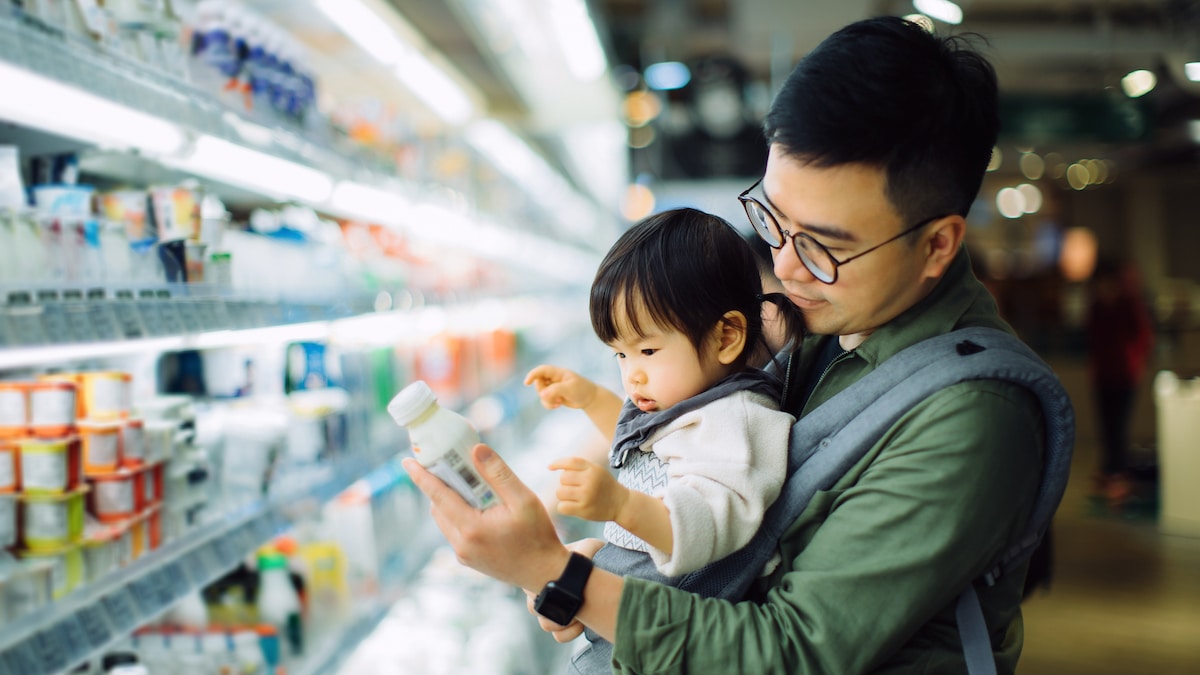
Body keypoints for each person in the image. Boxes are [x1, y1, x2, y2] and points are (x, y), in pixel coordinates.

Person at [404, 16, 1059, 674]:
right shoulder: (828, 326)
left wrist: (560, 574)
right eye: (774, 218)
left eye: (824, 246)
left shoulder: (974, 415)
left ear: (937, 245)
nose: (787, 264)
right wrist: (606, 562)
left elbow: (791, 651)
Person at [523, 208, 801, 670]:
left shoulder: (738, 421)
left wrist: (620, 507)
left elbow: (709, 523)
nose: (632, 374)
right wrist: (590, 398)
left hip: (672, 634)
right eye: (619, 354)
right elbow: (654, 452)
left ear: (727, 336)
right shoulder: (700, 404)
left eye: (648, 350)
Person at [1084, 258, 1154, 505]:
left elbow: (1143, 337)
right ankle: (1109, 474)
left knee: (1119, 428)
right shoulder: (1097, 306)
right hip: (1102, 376)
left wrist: (1133, 363)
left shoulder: (1129, 304)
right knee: (1107, 428)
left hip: (1125, 376)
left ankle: (1118, 477)